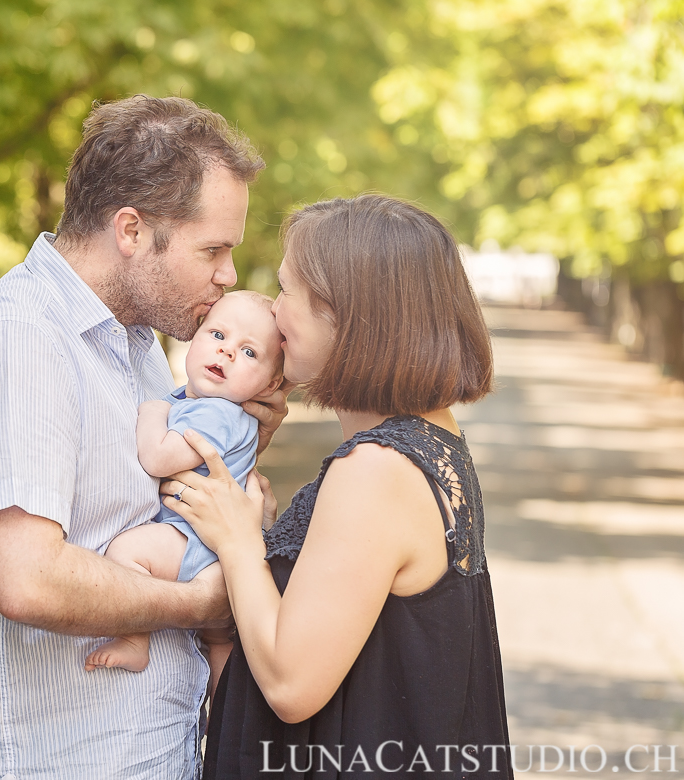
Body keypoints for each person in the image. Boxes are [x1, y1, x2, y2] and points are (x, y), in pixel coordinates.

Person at [0, 95, 287, 780]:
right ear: (131, 230)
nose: (228, 275)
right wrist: (198, 604)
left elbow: (149, 505)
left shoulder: (135, 341)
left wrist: (238, 443)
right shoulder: (20, 346)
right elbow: (28, 579)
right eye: (214, 250)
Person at [162, 195, 512, 778]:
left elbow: (292, 682)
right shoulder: (429, 441)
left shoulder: (376, 470)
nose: (274, 312)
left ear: (346, 315)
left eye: (287, 291)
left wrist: (240, 541)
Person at [84, 290, 284, 695]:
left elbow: (159, 459)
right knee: (220, 640)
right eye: (217, 335)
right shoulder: (204, 402)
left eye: (249, 353)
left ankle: (135, 639)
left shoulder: (219, 414)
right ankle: (224, 709)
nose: (226, 352)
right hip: (211, 544)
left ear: (271, 383)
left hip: (196, 541)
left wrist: (152, 412)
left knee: (127, 551)